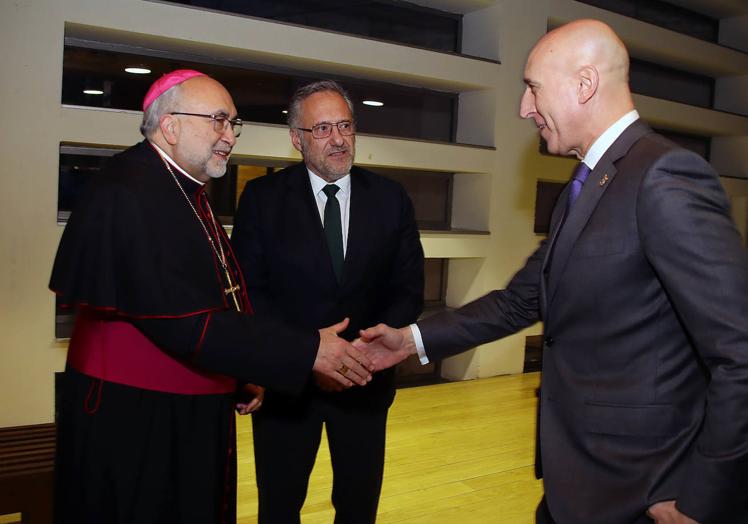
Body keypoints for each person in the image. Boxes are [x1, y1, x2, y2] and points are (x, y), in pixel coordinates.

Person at [356, 19, 748, 524]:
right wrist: (410, 341)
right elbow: (523, 299)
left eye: (533, 88)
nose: (523, 108)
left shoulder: (664, 178)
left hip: (646, 491)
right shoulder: (588, 183)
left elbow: (738, 353)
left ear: (585, 84)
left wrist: (703, 500)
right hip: (580, 482)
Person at [50, 70, 374, 524]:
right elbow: (187, 322)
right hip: (137, 419)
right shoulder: (132, 193)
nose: (229, 136)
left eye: (233, 124)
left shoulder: (180, 188)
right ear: (171, 125)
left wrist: (242, 370)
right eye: (219, 121)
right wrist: (306, 349)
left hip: (177, 408)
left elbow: (214, 302)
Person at [231, 80, 424, 523]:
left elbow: (408, 287)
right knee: (279, 506)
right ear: (296, 138)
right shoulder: (262, 201)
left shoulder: (391, 198)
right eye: (321, 129)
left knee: (358, 506)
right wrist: (309, 356)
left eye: (345, 125)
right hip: (289, 387)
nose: (337, 139)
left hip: (364, 382)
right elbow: (250, 292)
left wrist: (356, 357)